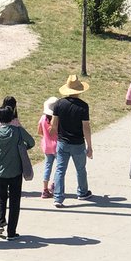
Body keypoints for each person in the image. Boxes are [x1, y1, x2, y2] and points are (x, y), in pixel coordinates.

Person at [0, 106, 35, 240]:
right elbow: (31, 141)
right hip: (16, 171)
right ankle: (11, 232)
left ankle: (0, 224)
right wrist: (23, 147)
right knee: (15, 201)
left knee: (1, 198)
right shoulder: (18, 131)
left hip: (1, 173)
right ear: (11, 118)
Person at [51, 75, 93, 208]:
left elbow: (54, 124)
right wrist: (89, 145)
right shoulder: (83, 106)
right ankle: (82, 192)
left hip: (62, 142)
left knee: (60, 170)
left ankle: (58, 197)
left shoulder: (59, 104)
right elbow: (86, 127)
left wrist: (53, 137)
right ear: (79, 91)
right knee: (80, 169)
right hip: (78, 143)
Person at [37, 97, 58, 199]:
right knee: (59, 167)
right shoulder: (57, 119)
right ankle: (54, 184)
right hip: (57, 146)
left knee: (47, 166)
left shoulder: (42, 118)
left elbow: (39, 131)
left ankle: (45, 189)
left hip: (46, 145)